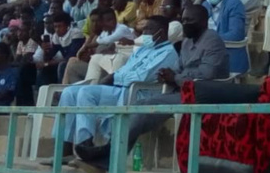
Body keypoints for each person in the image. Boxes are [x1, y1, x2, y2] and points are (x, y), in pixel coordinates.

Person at [73, 5, 229, 172]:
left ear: (204, 21)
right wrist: (168, 75)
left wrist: (175, 77)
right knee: (141, 105)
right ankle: (107, 153)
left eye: (190, 20)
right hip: (182, 91)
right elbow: (179, 68)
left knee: (142, 107)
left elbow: (208, 73)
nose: (185, 24)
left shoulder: (212, 40)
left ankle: (109, 155)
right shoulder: (186, 42)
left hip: (202, 93)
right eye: (183, 20)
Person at [52, 16, 179, 163]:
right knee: (69, 92)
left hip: (137, 93)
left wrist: (113, 77)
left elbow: (139, 77)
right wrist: (115, 77)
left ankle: (84, 147)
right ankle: (63, 151)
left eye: (149, 29)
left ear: (161, 33)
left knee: (86, 93)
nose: (144, 33)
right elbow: (125, 71)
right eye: (144, 29)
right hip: (119, 88)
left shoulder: (168, 53)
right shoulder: (143, 49)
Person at [202, 0, 248, 74]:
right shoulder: (205, 5)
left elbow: (236, 35)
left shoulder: (234, 4)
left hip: (229, 55)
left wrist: (210, 39)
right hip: (207, 55)